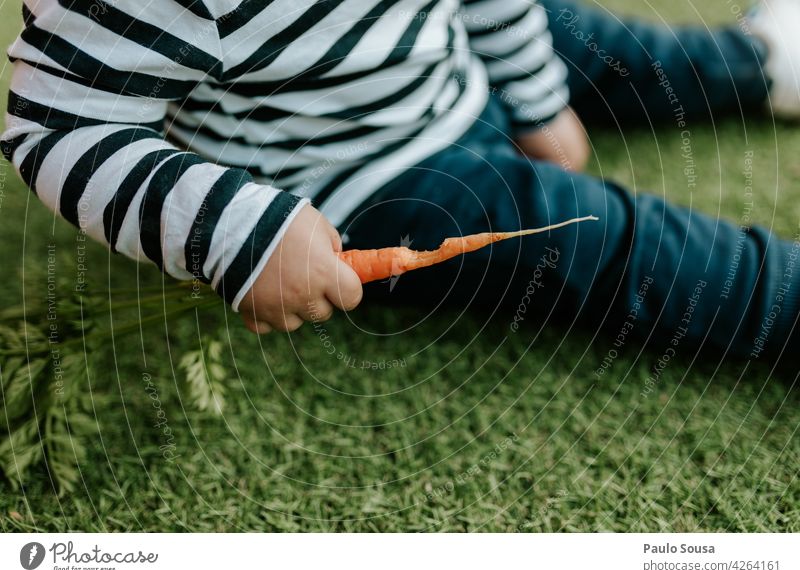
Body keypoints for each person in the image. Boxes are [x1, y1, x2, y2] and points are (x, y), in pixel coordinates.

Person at [2, 0, 798, 360]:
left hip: (451, 59)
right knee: (606, 241)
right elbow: (57, 121)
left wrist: (535, 97)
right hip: (357, 178)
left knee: (589, 38)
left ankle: (759, 64)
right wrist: (240, 229)